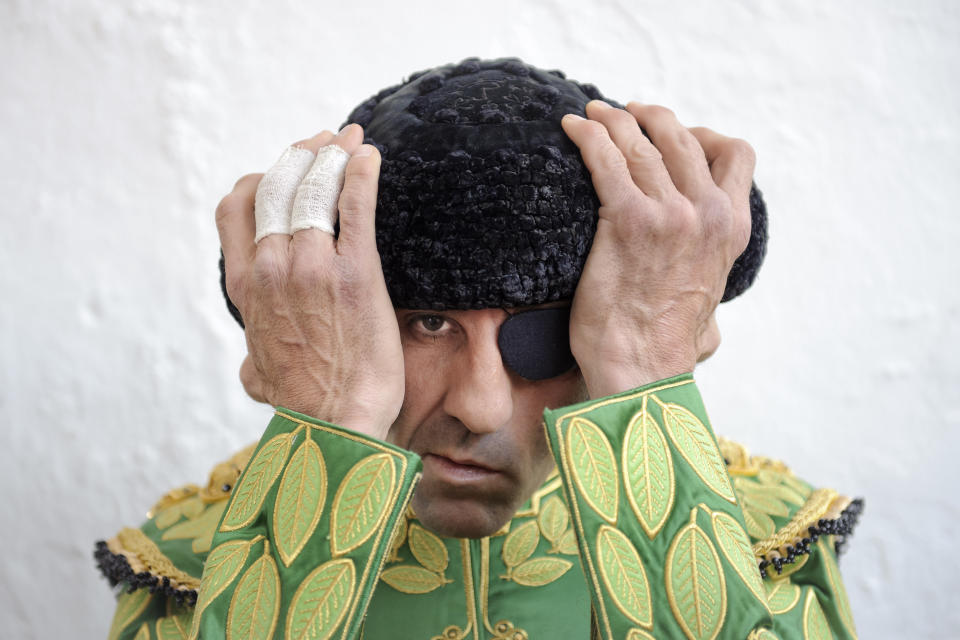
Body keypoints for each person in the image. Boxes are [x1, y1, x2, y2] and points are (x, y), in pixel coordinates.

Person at [95, 58, 862, 640]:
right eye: (428, 323)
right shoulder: (188, 566)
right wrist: (328, 419)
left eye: (546, 331)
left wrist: (645, 377)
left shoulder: (771, 540)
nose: (480, 404)